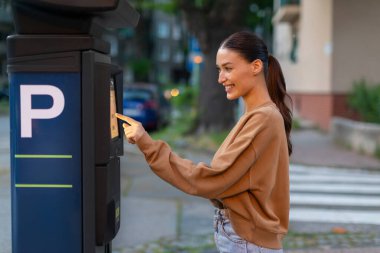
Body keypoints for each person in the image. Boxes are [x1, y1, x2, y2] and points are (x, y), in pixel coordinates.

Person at [116, 31, 292, 253]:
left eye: (228, 68)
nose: (220, 78)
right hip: (247, 238)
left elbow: (211, 180)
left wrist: (147, 144)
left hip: (248, 241)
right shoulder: (258, 116)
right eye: (220, 70)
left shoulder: (263, 118)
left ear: (255, 67)